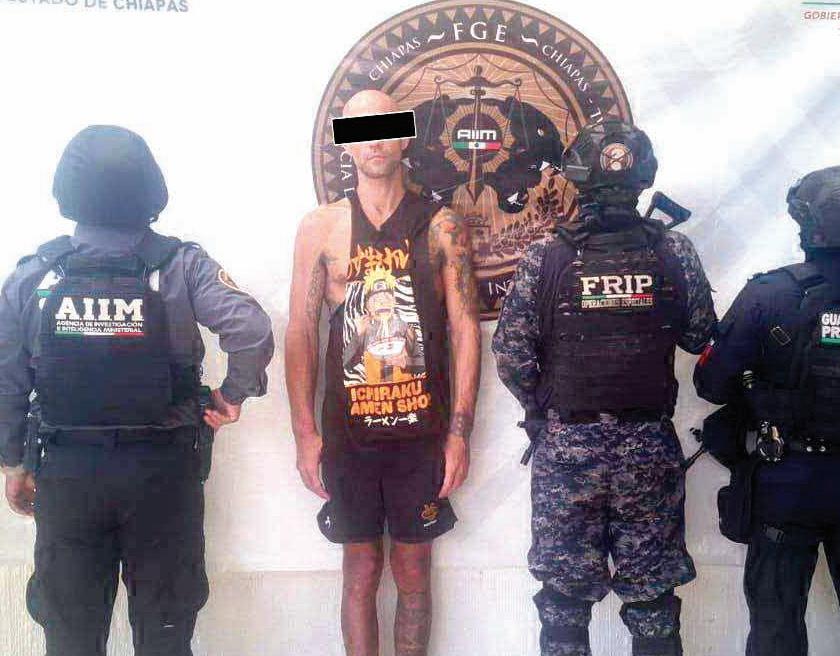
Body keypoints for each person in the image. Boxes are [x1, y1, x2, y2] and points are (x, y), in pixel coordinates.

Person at [0, 125, 275, 656]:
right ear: (151, 187)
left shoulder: (35, 275)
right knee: (166, 637)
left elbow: (7, 379)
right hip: (162, 474)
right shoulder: (180, 265)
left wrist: (13, 463)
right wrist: (232, 396)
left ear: (66, 189)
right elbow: (251, 329)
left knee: (70, 638)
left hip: (68, 475)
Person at [492, 119, 716, 656]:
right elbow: (699, 335)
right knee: (653, 600)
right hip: (648, 448)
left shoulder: (546, 254)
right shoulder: (674, 251)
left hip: (568, 449)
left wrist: (545, 410)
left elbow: (512, 356)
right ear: (644, 177)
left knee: (564, 602)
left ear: (576, 176)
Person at [694, 165, 840, 656]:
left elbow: (711, 384)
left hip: (788, 481)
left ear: (811, 224)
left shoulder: (772, 293)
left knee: (776, 627)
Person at [285, 90, 481, 656]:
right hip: (349, 436)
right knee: (361, 568)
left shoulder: (442, 225)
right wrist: (304, 434)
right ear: (345, 143)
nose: (373, 139)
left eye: (385, 127)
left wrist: (460, 434)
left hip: (421, 434)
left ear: (403, 137)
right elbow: (300, 332)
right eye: (360, 129)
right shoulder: (321, 227)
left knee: (414, 570)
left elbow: (467, 330)